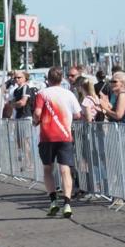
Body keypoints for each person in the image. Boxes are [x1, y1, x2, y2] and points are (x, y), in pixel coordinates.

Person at [33, 66, 82, 219]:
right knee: (65, 169)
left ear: (48, 79)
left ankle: (53, 201)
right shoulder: (68, 94)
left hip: (47, 136)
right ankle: (67, 203)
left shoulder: (42, 94)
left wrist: (36, 122)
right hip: (65, 135)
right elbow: (78, 114)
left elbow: (37, 113)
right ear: (62, 79)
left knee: (48, 169)